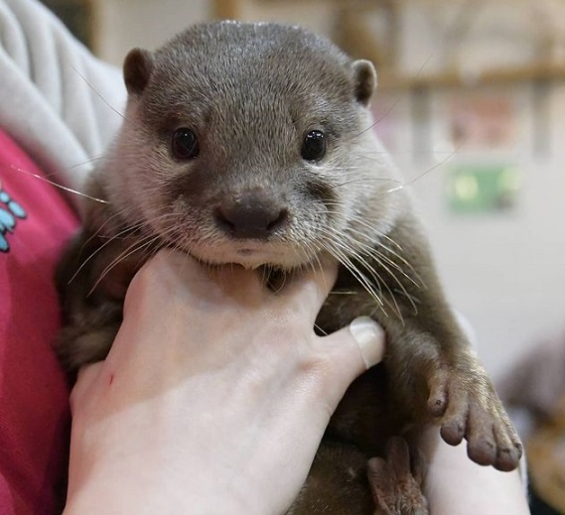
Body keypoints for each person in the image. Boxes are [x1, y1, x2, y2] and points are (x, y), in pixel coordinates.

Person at [0, 0, 530, 513]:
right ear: (137, 95)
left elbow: (432, 333)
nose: (250, 207)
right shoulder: (111, 204)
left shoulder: (24, 50)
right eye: (186, 144)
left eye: (314, 146)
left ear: (362, 105)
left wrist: (468, 419)